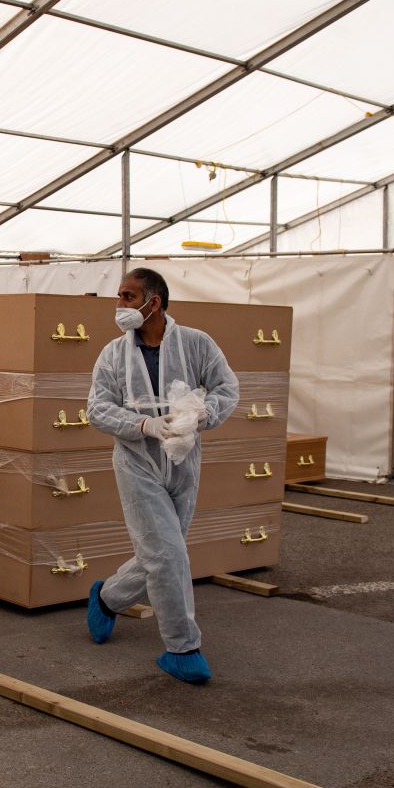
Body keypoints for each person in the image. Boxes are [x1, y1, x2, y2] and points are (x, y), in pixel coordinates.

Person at [84, 267, 239, 684]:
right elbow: (97, 408)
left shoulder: (196, 343)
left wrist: (200, 414)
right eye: (119, 297)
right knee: (168, 554)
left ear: (154, 302)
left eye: (128, 297)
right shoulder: (112, 354)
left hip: (184, 458)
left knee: (162, 552)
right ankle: (182, 648)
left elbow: (227, 388)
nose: (120, 306)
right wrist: (145, 426)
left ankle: (107, 598)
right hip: (136, 461)